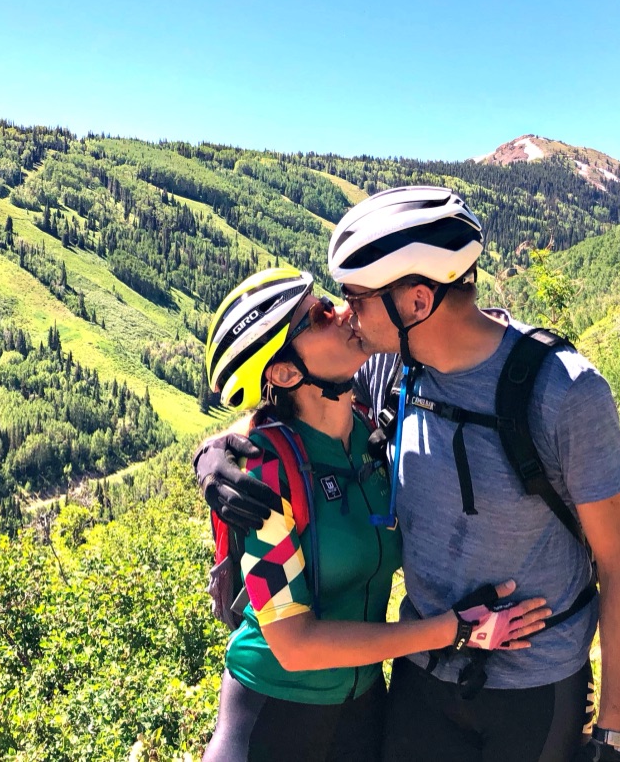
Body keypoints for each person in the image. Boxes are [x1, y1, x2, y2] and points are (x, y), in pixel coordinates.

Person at [198, 188, 620, 762]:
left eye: (354, 297)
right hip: (413, 688)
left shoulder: (562, 392)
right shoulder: (390, 372)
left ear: (415, 301)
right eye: (331, 306)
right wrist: (216, 453)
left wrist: (615, 739)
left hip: (532, 687)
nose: (345, 312)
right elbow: (287, 404)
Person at [197, 265, 552, 762]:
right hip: (271, 720)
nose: (343, 310)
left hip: (363, 712)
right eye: (320, 315)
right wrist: (454, 630)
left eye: (329, 299)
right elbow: (294, 645)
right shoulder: (263, 475)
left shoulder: (373, 431)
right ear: (283, 372)